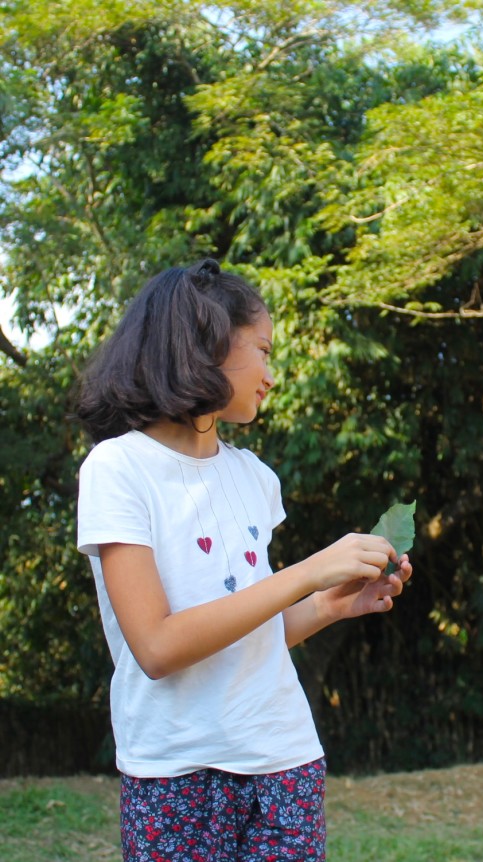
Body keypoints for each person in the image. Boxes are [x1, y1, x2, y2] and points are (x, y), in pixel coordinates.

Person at [74, 258, 412, 861]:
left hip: (285, 761)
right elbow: (157, 647)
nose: (271, 375)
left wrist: (330, 605)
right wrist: (306, 573)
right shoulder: (117, 469)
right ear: (204, 345)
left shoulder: (255, 477)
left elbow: (255, 635)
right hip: (174, 772)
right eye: (263, 349)